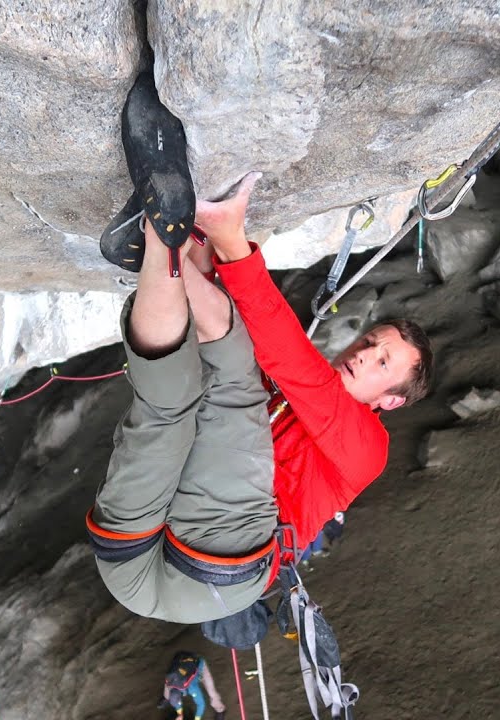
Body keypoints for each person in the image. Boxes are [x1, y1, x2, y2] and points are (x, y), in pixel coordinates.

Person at [85, 67, 433, 630]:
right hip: (130, 556)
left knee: (233, 379)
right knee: (172, 402)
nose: (364, 354)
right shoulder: (292, 395)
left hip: (216, 575)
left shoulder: (367, 448)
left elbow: (291, 363)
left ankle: (164, 236)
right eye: (371, 343)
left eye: (382, 362)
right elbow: (236, 337)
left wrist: (232, 242)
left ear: (390, 400)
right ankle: (160, 237)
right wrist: (204, 248)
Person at [160, 651, 226, 720]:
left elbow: (201, 704)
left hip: (200, 667)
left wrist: (197, 718)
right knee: (168, 693)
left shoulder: (191, 688)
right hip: (183, 667)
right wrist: (180, 714)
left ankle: (220, 710)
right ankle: (166, 699)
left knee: (212, 692)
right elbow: (176, 702)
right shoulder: (169, 682)